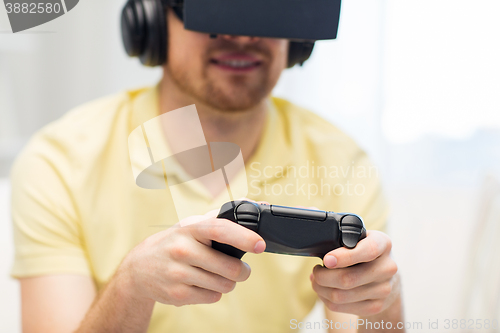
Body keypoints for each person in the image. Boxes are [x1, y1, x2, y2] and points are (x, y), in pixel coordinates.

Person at [10, 4, 404, 333]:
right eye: (219, 10)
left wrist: (382, 301)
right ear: (151, 23)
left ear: (297, 39)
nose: (245, 37)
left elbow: (361, 312)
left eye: (267, 12)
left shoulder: (339, 161)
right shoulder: (62, 161)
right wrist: (130, 288)